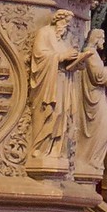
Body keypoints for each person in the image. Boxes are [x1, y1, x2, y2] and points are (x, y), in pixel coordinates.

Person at [28, 11, 78, 167]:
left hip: (63, 82)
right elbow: (39, 55)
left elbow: (66, 57)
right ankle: (39, 148)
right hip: (48, 84)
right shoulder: (45, 33)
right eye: (65, 22)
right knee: (52, 112)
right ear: (58, 20)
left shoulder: (63, 39)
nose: (67, 27)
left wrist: (77, 60)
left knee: (62, 115)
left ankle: (56, 151)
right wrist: (62, 56)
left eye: (69, 24)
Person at [72, 28, 107, 184]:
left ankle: (92, 162)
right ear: (96, 39)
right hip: (94, 100)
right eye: (102, 38)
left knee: (105, 130)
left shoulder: (93, 53)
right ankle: (89, 161)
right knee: (105, 129)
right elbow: (99, 77)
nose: (103, 41)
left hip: (96, 97)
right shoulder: (90, 53)